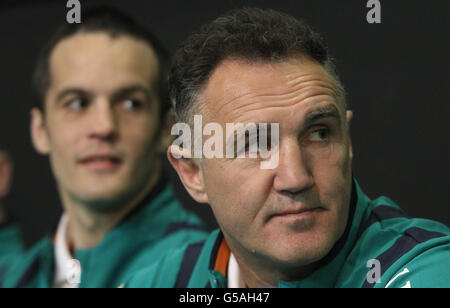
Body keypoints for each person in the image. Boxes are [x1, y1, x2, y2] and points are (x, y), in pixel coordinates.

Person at [124, 8, 450, 288]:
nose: (296, 179)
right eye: (254, 145)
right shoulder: (165, 279)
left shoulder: (427, 272)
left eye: (319, 134)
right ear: (193, 172)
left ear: (347, 140)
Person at [0, 6, 208, 288]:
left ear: (166, 129)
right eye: (76, 103)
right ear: (40, 130)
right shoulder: (17, 276)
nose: (104, 126)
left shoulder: (203, 275)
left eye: (130, 103)